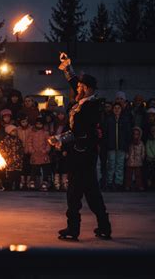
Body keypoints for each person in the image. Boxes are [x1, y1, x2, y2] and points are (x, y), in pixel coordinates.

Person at [52, 53, 112, 241]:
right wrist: (67, 66)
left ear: (86, 89)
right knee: (92, 193)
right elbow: (75, 82)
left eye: (80, 86)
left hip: (83, 156)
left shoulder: (90, 107)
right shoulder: (85, 101)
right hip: (82, 154)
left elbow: (81, 133)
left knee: (74, 194)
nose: (76, 87)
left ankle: (73, 230)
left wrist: (59, 139)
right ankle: (104, 228)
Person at [104, 103, 132, 191]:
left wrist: (127, 148)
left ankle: (118, 183)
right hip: (111, 147)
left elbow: (128, 135)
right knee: (111, 165)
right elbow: (106, 134)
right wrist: (106, 145)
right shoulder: (109, 120)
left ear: (121, 109)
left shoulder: (125, 120)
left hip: (121, 147)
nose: (116, 110)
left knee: (120, 165)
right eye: (115, 108)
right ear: (112, 109)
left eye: (118, 108)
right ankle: (109, 182)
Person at [28, 117, 52, 191]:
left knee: (45, 168)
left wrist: (46, 150)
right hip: (35, 153)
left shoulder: (46, 133)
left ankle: (45, 182)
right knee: (34, 168)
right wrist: (31, 150)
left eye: (40, 124)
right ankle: (32, 182)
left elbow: (49, 143)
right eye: (37, 124)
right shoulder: (32, 133)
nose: (39, 125)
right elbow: (29, 142)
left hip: (43, 154)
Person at [0, 125, 24, 191]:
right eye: (13, 131)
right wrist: (5, 154)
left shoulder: (18, 140)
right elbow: (2, 149)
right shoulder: (5, 140)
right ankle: (9, 186)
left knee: (17, 174)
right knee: (10, 174)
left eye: (15, 131)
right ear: (9, 132)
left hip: (18, 160)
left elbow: (21, 149)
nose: (15, 132)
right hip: (9, 160)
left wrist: (20, 156)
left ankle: (17, 186)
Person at [17, 115, 33, 190]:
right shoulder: (18, 129)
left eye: (25, 122)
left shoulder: (31, 129)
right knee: (22, 167)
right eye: (22, 122)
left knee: (29, 167)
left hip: (29, 150)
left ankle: (28, 182)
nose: (24, 123)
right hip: (21, 151)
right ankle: (22, 182)